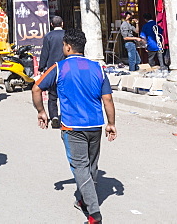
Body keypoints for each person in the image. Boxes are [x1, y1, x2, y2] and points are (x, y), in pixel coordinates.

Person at [32, 28, 117, 224]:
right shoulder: (98, 68)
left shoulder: (59, 67)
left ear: (68, 47)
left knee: (80, 167)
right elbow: (108, 100)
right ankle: (83, 199)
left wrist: (41, 111)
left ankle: (94, 214)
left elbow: (36, 88)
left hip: (72, 126)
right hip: (95, 125)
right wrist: (111, 123)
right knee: (91, 165)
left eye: (63, 45)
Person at [39, 15, 66, 128]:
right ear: (62, 24)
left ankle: (54, 116)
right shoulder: (67, 35)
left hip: (52, 69)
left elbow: (45, 53)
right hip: (66, 68)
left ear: (51, 25)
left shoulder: (48, 36)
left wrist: (41, 67)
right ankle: (66, 117)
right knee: (66, 95)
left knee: (52, 95)